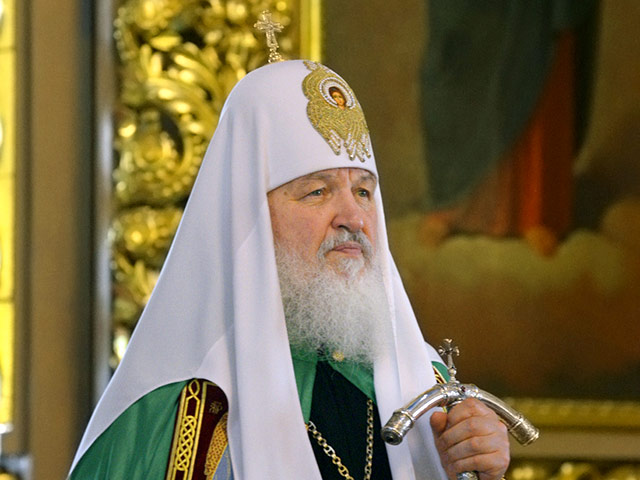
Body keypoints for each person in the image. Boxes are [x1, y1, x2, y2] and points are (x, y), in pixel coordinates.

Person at [69, 60, 509, 479]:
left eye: (363, 191)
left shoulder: (425, 385)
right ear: (249, 220)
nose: (354, 218)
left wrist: (478, 474)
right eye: (317, 191)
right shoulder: (184, 415)